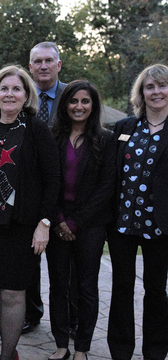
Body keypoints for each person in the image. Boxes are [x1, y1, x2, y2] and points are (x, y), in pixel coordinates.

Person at [0, 65, 59, 360]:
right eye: (4, 88)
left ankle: (6, 355)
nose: (9, 94)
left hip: (22, 225)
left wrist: (44, 223)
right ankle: (10, 351)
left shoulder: (37, 129)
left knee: (13, 292)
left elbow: (52, 178)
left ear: (26, 95)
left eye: (16, 89)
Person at [46, 80, 116, 360]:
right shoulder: (52, 137)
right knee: (58, 284)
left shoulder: (106, 139)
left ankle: (82, 348)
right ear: (65, 105)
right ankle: (61, 344)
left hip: (91, 225)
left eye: (85, 101)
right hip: (57, 220)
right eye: (74, 101)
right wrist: (60, 219)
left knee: (87, 287)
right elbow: (47, 181)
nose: (79, 106)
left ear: (93, 105)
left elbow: (107, 186)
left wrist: (76, 223)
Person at [107, 64, 168, 360]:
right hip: (122, 222)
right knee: (121, 289)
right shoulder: (125, 127)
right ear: (141, 93)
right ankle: (120, 351)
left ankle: (155, 352)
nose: (156, 92)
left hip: (160, 226)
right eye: (150, 87)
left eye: (162, 86)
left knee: (156, 291)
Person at [25, 41, 78, 336]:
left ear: (59, 65)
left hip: (67, 193)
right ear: (30, 67)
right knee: (28, 262)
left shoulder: (73, 97)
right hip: (30, 193)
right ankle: (32, 313)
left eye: (49, 61)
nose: (43, 66)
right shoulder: (21, 95)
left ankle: (70, 320)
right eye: (37, 62)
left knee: (65, 267)